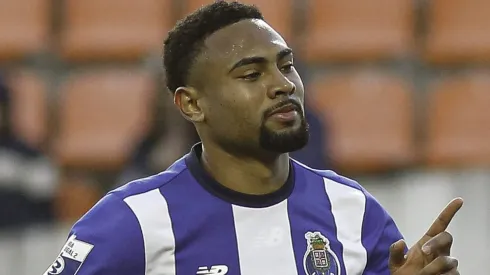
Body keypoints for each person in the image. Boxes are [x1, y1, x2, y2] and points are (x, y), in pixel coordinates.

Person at [44, 2, 462, 275]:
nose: (282, 85)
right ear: (192, 105)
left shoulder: (351, 211)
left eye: (286, 65)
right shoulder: (132, 220)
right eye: (251, 74)